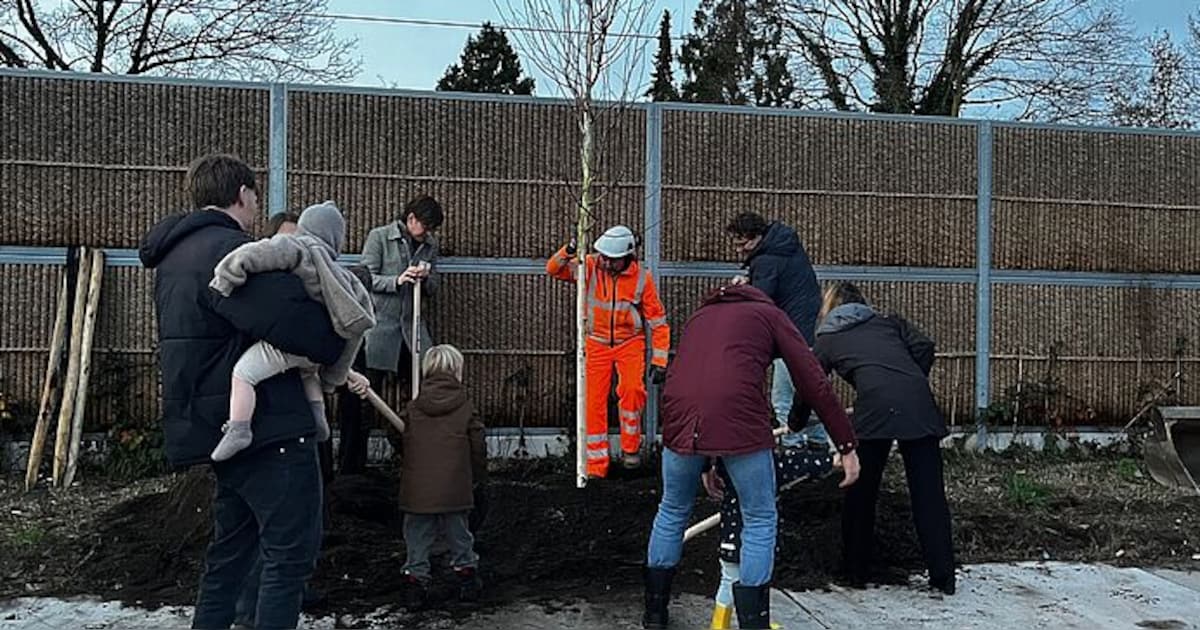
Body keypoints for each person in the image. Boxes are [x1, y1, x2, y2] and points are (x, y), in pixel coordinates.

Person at [138, 154, 346, 630]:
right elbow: (299, 326)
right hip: (271, 430)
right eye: (254, 196)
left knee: (230, 556)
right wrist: (336, 340)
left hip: (221, 427)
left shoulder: (173, 258)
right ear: (244, 195)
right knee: (289, 558)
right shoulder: (229, 251)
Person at [643, 284, 860, 630]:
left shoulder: (700, 318)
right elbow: (812, 380)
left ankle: (654, 615)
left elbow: (704, 383)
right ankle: (754, 624)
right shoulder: (770, 315)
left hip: (681, 420)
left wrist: (709, 458)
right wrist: (846, 445)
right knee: (759, 516)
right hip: (739, 421)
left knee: (671, 509)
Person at [813, 282, 956, 595]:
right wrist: (906, 383)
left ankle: (855, 571)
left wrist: (796, 422)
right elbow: (924, 347)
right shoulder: (890, 323)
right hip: (919, 406)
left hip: (873, 413)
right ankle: (943, 577)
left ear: (830, 309)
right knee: (929, 495)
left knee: (860, 491)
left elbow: (813, 385)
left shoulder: (828, 337)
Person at [208, 201, 375, 461]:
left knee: (243, 374)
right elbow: (356, 329)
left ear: (304, 227)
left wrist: (229, 273)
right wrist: (333, 378)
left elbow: (259, 253)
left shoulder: (296, 246)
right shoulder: (346, 278)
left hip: (286, 344)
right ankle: (319, 417)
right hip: (317, 352)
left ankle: (239, 428)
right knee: (309, 374)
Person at [546, 225, 670, 476]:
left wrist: (660, 360)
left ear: (626, 257)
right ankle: (596, 466)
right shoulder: (589, 266)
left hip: (630, 343)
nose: (605, 261)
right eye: (603, 255)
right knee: (593, 402)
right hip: (596, 343)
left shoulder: (641, 278)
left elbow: (658, 321)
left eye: (611, 259)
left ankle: (630, 451)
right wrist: (568, 250)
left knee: (633, 391)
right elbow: (554, 269)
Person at [397, 345, 488, 609]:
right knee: (459, 533)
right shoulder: (466, 408)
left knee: (417, 536)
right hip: (455, 487)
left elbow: (398, 436)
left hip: (418, 489)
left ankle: (415, 580)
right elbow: (478, 446)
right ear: (457, 371)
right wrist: (478, 476)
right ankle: (466, 575)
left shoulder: (413, 408)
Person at [726, 212, 827, 448]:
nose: (739, 250)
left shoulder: (767, 260)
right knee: (805, 394)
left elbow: (760, 302)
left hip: (792, 336)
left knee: (783, 398)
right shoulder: (783, 247)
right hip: (806, 329)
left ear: (756, 238)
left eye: (742, 244)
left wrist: (739, 292)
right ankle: (818, 442)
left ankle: (792, 447)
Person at [708, 444, 834, 629]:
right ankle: (751, 623)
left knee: (728, 578)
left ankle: (720, 623)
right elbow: (794, 464)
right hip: (750, 539)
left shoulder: (725, 459)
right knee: (756, 579)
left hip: (730, 535)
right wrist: (830, 460)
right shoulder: (762, 463)